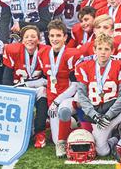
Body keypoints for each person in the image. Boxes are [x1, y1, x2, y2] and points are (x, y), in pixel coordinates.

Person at [74, 33, 121, 156]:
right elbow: (82, 96)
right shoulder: (84, 67)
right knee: (102, 151)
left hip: (117, 111)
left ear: (112, 51)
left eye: (106, 49)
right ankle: (115, 140)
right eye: (100, 48)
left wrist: (109, 115)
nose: (103, 52)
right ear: (94, 50)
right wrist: (94, 116)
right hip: (99, 116)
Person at [38, 20, 83, 157]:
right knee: (55, 138)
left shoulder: (71, 54)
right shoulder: (43, 53)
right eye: (52, 36)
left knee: (62, 109)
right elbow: (48, 79)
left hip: (67, 98)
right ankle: (73, 125)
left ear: (65, 37)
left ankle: (70, 123)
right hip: (52, 99)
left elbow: (74, 85)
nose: (54, 39)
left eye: (58, 35)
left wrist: (56, 101)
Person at [2, 26, 50, 147]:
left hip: (38, 87)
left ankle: (40, 132)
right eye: (27, 37)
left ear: (39, 40)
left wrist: (29, 84)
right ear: (22, 40)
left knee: (43, 92)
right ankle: (19, 131)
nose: (30, 39)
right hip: (19, 87)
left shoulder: (46, 52)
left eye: (33, 36)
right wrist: (8, 92)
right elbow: (7, 77)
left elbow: (48, 78)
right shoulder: (13, 50)